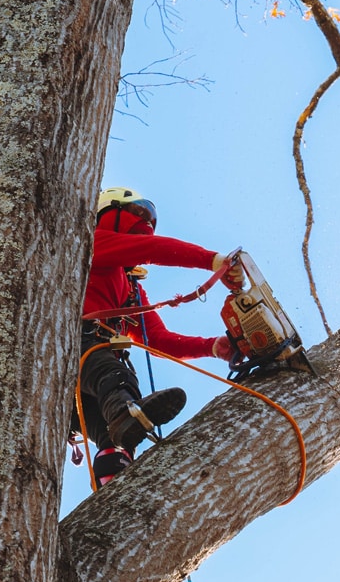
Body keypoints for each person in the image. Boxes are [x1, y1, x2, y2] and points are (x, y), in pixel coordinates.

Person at [78, 186, 239, 484]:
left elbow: (158, 340)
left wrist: (212, 347)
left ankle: (112, 475)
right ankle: (127, 415)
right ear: (107, 214)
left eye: (151, 219)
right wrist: (214, 261)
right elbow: (151, 250)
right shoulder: (91, 243)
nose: (148, 223)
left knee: (114, 436)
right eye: (138, 213)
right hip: (80, 354)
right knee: (116, 379)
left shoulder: (132, 291)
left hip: (89, 385)